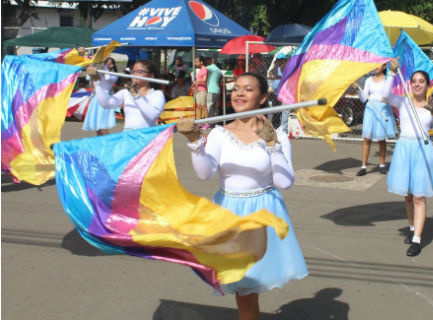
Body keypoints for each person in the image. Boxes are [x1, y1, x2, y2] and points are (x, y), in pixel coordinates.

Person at [176, 72, 308, 320]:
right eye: (235, 88)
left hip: (263, 215)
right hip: (230, 213)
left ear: (262, 97)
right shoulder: (218, 134)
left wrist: (272, 145)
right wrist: (194, 141)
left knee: (248, 288)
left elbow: (284, 182)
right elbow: (204, 174)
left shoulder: (276, 135)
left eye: (248, 89)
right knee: (244, 288)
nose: (238, 93)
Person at [383, 61, 433, 256]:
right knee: (408, 196)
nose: (417, 84)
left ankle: (417, 240)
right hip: (404, 148)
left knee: (419, 195)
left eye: (421, 81)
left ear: (427, 85)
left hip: (422, 150)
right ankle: (412, 228)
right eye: (414, 81)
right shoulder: (403, 101)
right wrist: (392, 73)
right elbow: (385, 96)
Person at [87, 60, 166, 131]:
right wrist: (97, 81)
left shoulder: (157, 94)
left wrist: (136, 96)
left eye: (139, 72)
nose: (135, 74)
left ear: (150, 76)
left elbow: (152, 116)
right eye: (133, 71)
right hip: (128, 137)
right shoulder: (126, 92)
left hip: (146, 139)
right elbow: (106, 104)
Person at [354, 63, 398, 176]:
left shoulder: (387, 80)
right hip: (371, 110)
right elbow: (364, 99)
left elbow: (390, 95)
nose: (376, 66)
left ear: (384, 67)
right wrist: (358, 89)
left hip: (383, 109)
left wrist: (388, 100)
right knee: (367, 139)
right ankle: (363, 166)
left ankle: (382, 164)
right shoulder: (369, 80)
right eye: (375, 64)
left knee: (381, 138)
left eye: (379, 65)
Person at [83, 57, 118, 136]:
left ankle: (106, 143)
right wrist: (90, 67)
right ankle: (99, 142)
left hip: (105, 100)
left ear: (111, 65)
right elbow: (90, 78)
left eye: (107, 62)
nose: (104, 63)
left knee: (103, 126)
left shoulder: (114, 75)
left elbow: (108, 78)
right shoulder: (100, 73)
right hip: (96, 100)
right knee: (97, 126)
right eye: (104, 62)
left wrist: (105, 68)